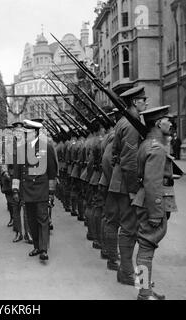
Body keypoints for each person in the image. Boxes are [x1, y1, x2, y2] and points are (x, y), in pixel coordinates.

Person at [132, 106, 177, 300]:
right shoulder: (156, 148)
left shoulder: (147, 144)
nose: (171, 123)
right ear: (159, 123)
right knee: (146, 247)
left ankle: (145, 289)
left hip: (145, 200)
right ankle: (143, 293)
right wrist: (156, 211)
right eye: (168, 119)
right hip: (152, 202)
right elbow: (152, 183)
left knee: (145, 247)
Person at [109, 86, 148, 286]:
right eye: (143, 100)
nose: (146, 103)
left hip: (121, 181)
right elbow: (130, 161)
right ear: (134, 102)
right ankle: (125, 273)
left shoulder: (125, 122)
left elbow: (116, 152)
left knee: (127, 227)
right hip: (127, 184)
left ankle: (125, 270)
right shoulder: (132, 125)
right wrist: (133, 190)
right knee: (129, 228)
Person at [12, 120, 57, 261]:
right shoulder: (21, 149)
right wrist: (15, 189)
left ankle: (43, 249)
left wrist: (51, 192)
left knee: (43, 219)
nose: (26, 135)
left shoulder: (46, 147)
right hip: (27, 189)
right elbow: (17, 171)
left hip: (41, 188)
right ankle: (37, 246)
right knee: (31, 220)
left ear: (36, 133)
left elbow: (52, 171)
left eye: (28, 132)